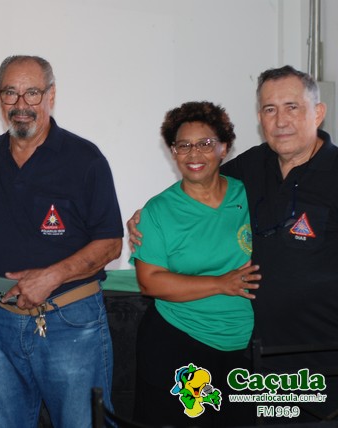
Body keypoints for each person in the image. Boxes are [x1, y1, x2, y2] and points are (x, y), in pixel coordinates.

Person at [128, 65, 338, 423]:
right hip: (259, 358)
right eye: (270, 109)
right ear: (260, 118)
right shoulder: (254, 166)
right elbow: (200, 177)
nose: (281, 120)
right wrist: (143, 216)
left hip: (323, 354)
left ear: (318, 112)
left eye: (292, 107)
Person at [0, 55, 124, 428]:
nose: (21, 104)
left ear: (51, 95)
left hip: (69, 323)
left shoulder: (85, 158)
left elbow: (111, 243)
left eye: (32, 93)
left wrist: (51, 277)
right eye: (11, 93)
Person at [130, 101, 259, 427]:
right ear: (173, 152)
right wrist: (220, 284)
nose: (194, 153)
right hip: (179, 345)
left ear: (223, 148)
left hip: (247, 349)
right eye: (184, 145)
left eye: (205, 143)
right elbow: (149, 281)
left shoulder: (251, 197)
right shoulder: (158, 211)